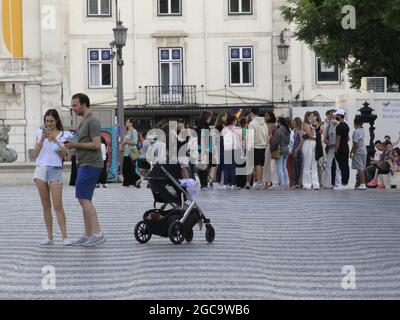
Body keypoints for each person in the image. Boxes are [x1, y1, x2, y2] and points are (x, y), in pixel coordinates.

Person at [65, 93, 106, 247]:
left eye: (75, 105)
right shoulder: (83, 121)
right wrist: (72, 144)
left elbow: (96, 144)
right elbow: (84, 142)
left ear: (83, 104)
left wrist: (75, 145)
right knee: (83, 198)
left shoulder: (92, 120)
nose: (73, 108)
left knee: (84, 199)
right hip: (84, 164)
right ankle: (88, 234)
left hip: (91, 164)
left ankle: (98, 233)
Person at [32, 109, 72, 246]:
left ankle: (65, 237)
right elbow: (35, 154)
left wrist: (55, 140)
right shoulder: (39, 133)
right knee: (45, 205)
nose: (49, 124)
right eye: (47, 121)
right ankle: (49, 236)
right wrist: (42, 139)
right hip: (41, 169)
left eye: (51, 121)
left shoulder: (64, 135)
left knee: (58, 205)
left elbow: (63, 155)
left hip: (55, 169)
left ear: (56, 121)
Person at [248, 107, 269, 190]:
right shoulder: (264, 123)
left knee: (257, 165)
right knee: (261, 165)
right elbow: (267, 135)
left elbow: (250, 137)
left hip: (255, 146)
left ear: (252, 113)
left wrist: (249, 147)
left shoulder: (252, 123)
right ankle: (261, 181)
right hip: (263, 146)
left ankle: (259, 182)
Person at [221, 114, 242, 190]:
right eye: (236, 120)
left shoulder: (224, 129)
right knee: (233, 167)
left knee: (226, 168)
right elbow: (240, 141)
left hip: (227, 149)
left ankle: (225, 184)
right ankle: (233, 184)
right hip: (235, 149)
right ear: (234, 121)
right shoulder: (238, 129)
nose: (236, 121)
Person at [270, 117, 291, 190]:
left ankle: (282, 184)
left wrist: (271, 149)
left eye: (277, 122)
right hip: (286, 149)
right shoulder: (288, 130)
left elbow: (275, 142)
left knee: (279, 168)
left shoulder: (278, 131)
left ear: (279, 122)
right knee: (284, 167)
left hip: (279, 150)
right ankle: (287, 183)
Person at [324, 110, 341, 189]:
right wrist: (327, 142)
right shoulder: (328, 126)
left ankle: (338, 183)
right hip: (331, 147)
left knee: (338, 166)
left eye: (335, 117)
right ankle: (328, 183)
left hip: (338, 148)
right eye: (332, 117)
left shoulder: (340, 125)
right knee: (328, 165)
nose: (333, 118)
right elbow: (325, 138)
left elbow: (345, 138)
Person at [195, 111, 213, 190]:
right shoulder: (205, 125)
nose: (210, 119)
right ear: (207, 117)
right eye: (210, 117)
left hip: (199, 148)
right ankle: (204, 185)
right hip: (204, 148)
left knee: (201, 167)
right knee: (204, 167)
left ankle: (203, 184)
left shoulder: (198, 125)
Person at [302, 112, 320, 190]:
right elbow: (310, 134)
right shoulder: (305, 124)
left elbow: (320, 133)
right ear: (307, 116)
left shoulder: (314, 124)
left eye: (314, 116)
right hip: (308, 142)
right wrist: (313, 127)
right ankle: (307, 184)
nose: (313, 117)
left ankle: (315, 184)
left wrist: (315, 126)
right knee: (307, 165)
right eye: (311, 116)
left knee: (314, 165)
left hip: (314, 143)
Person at [334, 109, 350, 190]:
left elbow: (338, 140)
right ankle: (345, 182)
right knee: (345, 165)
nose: (335, 116)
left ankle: (343, 183)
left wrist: (336, 150)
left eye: (337, 115)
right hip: (346, 147)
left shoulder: (339, 127)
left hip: (340, 149)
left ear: (340, 116)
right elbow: (348, 138)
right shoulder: (346, 126)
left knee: (341, 166)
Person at [122, 119, 141, 188]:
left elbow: (135, 141)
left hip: (131, 152)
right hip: (126, 152)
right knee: (126, 168)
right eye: (126, 121)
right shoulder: (127, 132)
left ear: (131, 123)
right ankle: (128, 182)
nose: (126, 123)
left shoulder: (134, 131)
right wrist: (123, 144)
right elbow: (125, 141)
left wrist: (126, 142)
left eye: (127, 122)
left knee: (131, 168)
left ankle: (137, 179)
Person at [351, 117, 368, 190]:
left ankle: (362, 184)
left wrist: (352, 152)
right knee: (362, 168)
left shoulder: (356, 131)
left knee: (359, 168)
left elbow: (355, 143)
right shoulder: (362, 130)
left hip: (358, 151)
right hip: (363, 150)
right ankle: (362, 183)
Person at [263, 111, 277, 189]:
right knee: (267, 164)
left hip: (269, 145)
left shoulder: (271, 125)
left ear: (271, 117)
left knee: (269, 164)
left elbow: (268, 134)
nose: (265, 117)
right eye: (265, 116)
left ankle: (269, 182)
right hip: (267, 145)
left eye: (267, 115)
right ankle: (267, 181)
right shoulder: (267, 125)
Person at [214, 112, 228, 188]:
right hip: (221, 144)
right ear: (221, 117)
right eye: (225, 117)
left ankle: (221, 181)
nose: (226, 118)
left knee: (223, 164)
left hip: (223, 145)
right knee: (221, 164)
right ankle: (218, 181)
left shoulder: (223, 125)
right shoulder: (219, 126)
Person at [291, 117, 304, 189]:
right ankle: (296, 182)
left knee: (298, 167)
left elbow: (301, 142)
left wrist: (296, 150)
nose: (293, 123)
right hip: (295, 150)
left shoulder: (300, 131)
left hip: (298, 151)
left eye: (294, 122)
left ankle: (299, 183)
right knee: (295, 167)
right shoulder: (295, 131)